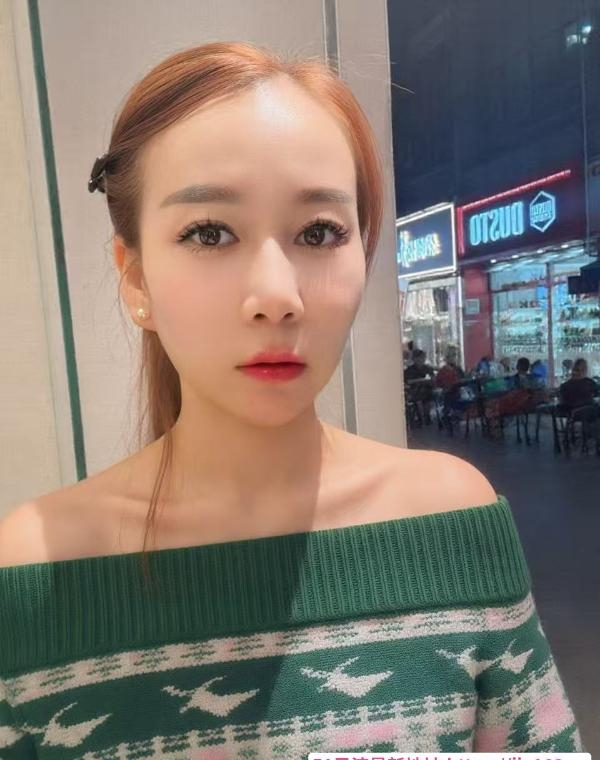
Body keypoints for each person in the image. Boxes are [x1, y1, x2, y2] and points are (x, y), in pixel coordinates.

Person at [0, 42, 583, 755]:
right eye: (209, 232)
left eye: (318, 232)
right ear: (137, 279)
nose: (277, 295)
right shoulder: (34, 572)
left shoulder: (451, 522)